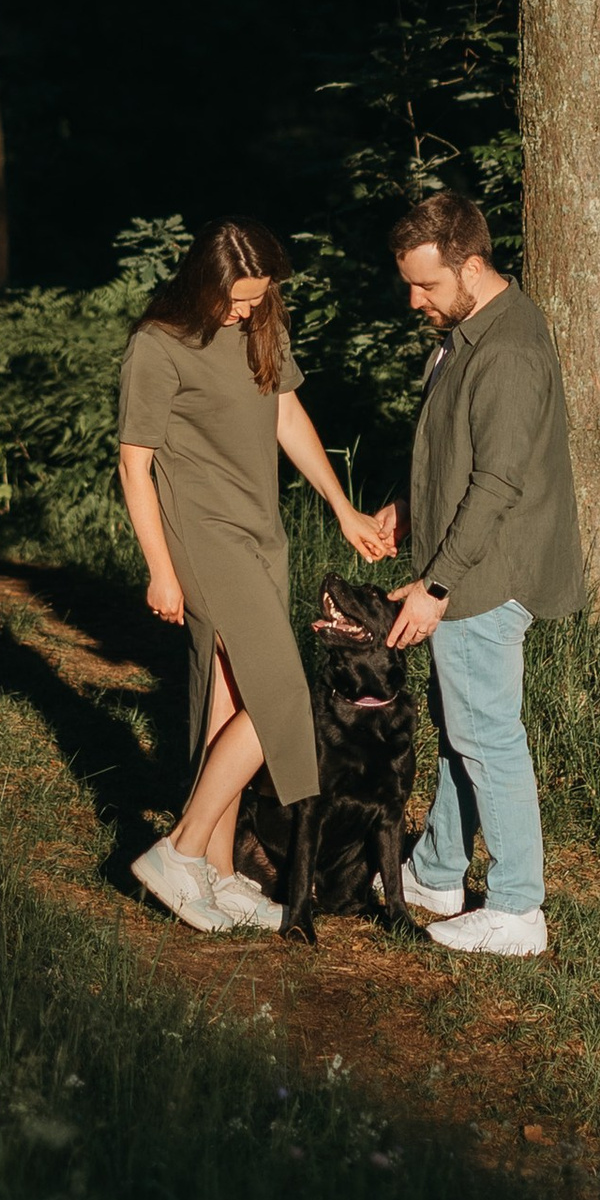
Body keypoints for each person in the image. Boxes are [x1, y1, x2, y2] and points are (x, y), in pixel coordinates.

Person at [117, 217, 394, 934]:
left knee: (232, 698)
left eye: (257, 297)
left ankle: (215, 866)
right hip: (204, 538)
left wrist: (342, 507)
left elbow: (286, 413)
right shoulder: (157, 346)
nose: (246, 310)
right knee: (284, 696)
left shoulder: (261, 324)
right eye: (236, 298)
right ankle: (178, 852)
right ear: (202, 282)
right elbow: (135, 465)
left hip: (263, 535)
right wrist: (159, 570)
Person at [370, 190, 586, 959]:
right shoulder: (470, 332)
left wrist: (437, 584)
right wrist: (408, 505)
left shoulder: (508, 350)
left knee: (487, 736)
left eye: (425, 284)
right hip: (467, 563)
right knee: (460, 725)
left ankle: (520, 908)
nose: (414, 300)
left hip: (486, 573)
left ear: (469, 266)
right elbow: (458, 450)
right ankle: (436, 873)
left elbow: (497, 483)